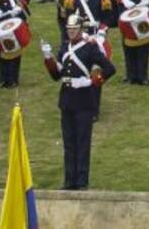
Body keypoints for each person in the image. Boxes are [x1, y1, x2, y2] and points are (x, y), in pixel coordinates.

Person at [41, 14, 116, 189]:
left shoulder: (89, 48)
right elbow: (56, 76)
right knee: (69, 143)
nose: (71, 33)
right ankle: (69, 181)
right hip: (67, 99)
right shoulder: (65, 47)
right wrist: (48, 58)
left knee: (82, 142)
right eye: (69, 30)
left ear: (81, 29)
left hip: (84, 100)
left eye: (74, 29)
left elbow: (109, 68)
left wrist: (92, 81)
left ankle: (82, 181)